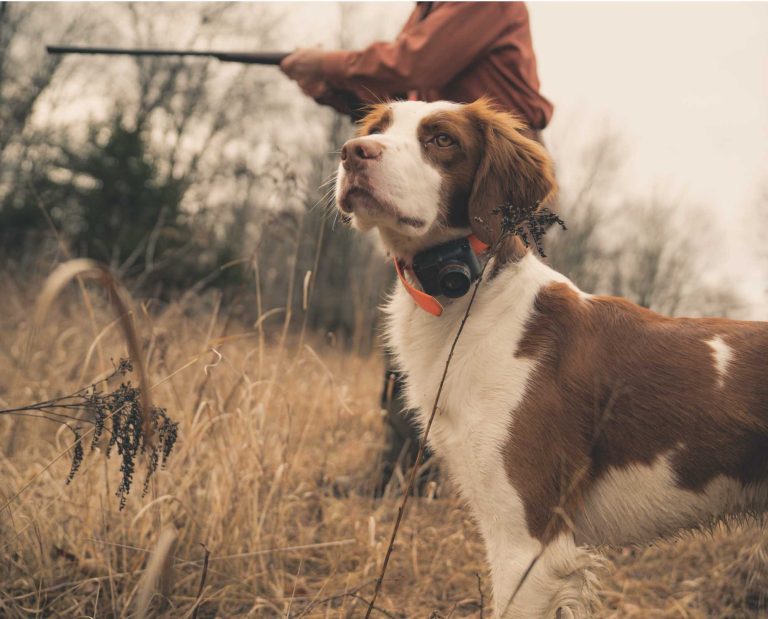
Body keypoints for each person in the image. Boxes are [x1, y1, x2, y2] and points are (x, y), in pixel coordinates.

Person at [280, 1, 553, 494]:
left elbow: (411, 65)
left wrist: (327, 63)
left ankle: (510, 480)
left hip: (493, 186)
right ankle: (406, 473)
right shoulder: (427, 9)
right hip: (430, 190)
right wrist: (329, 88)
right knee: (421, 322)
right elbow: (405, 100)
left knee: (506, 348)